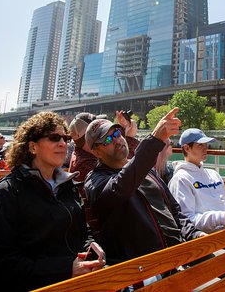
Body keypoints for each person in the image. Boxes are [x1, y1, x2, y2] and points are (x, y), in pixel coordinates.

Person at [0, 111, 105, 291]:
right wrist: (66, 268)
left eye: (66, 138)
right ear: (32, 147)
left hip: (76, 283)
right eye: (54, 138)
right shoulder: (8, 193)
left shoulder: (67, 186)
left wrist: (92, 248)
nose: (62, 143)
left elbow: (82, 233)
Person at [84, 108, 205, 265]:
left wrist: (194, 234)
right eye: (107, 140)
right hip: (145, 269)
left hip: (180, 254)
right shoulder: (95, 181)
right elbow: (122, 186)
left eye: (117, 133)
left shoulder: (146, 170)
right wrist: (154, 140)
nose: (116, 140)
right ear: (97, 153)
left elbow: (174, 210)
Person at [169, 128, 225, 233]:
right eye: (200, 145)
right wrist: (222, 218)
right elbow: (186, 220)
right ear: (187, 148)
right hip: (212, 239)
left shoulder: (213, 174)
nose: (205, 148)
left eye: (206, 145)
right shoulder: (180, 180)